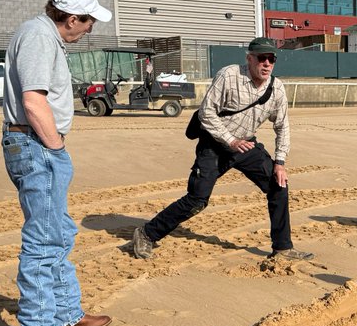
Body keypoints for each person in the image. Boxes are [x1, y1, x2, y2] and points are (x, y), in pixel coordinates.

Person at [2, 0, 113, 326]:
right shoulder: (38, 36)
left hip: (36, 143)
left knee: (59, 231)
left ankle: (66, 310)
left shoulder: (45, 36)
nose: (90, 29)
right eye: (89, 21)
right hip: (36, 144)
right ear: (72, 18)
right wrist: (56, 147)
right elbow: (33, 102)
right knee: (44, 239)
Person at [131, 37, 313, 262]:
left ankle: (283, 248)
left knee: (279, 186)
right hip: (214, 145)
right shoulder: (229, 75)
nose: (267, 63)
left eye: (271, 59)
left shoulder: (276, 88)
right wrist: (230, 140)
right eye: (262, 58)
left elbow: (282, 126)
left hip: (246, 145)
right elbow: (206, 112)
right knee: (197, 199)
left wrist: (280, 162)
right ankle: (147, 233)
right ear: (249, 58)